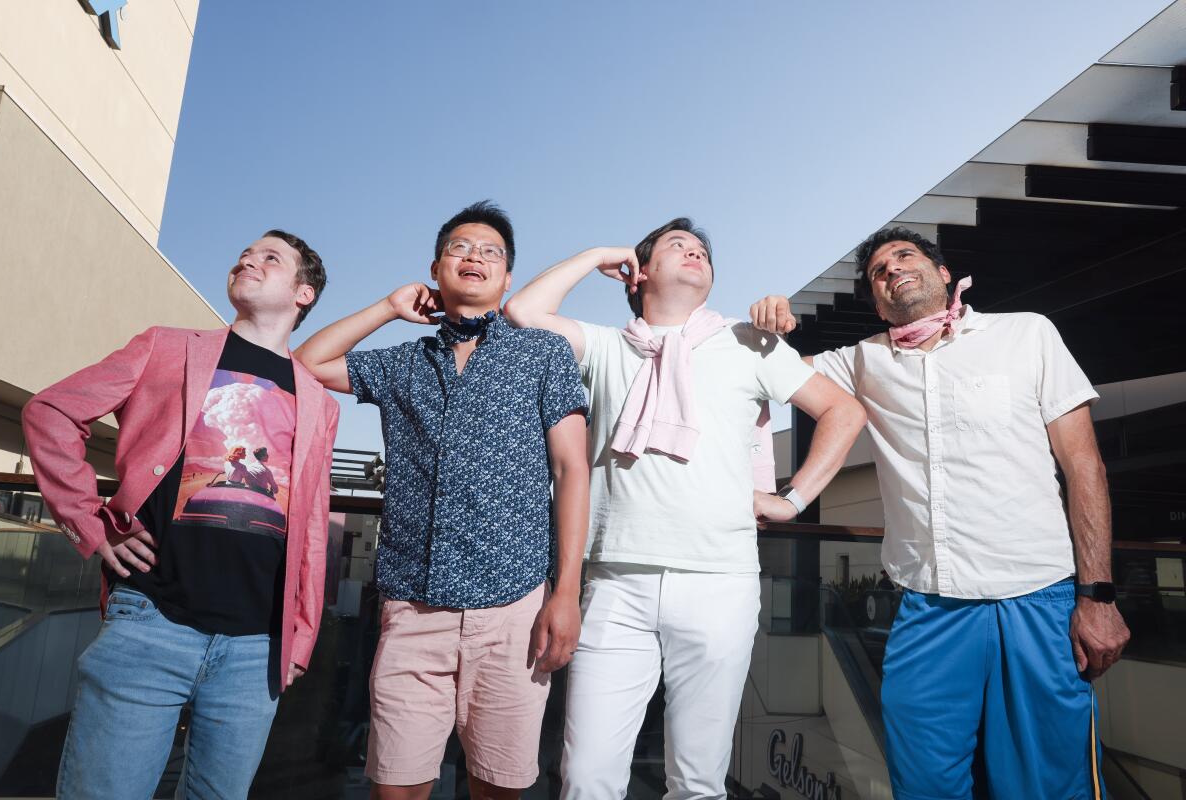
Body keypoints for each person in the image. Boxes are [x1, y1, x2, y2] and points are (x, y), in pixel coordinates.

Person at [750, 226, 1130, 800]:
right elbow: (756, 377)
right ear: (878, 302)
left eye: (905, 256)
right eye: (879, 270)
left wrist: (1097, 596)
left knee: (1049, 783)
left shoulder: (1027, 334)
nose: (892, 268)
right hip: (928, 607)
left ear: (943, 273)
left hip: (1037, 599)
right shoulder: (860, 362)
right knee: (925, 783)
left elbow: (1085, 468)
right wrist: (765, 331)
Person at [504, 217, 865, 799]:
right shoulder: (602, 345)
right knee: (586, 775)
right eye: (677, 245)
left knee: (697, 781)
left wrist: (794, 499)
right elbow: (522, 311)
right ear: (640, 272)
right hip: (616, 585)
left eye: (701, 250)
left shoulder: (749, 341)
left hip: (720, 582)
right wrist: (599, 250)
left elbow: (844, 413)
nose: (694, 252)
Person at [22, 230, 339, 799]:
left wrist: (302, 635)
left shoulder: (319, 400)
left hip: (256, 650)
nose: (247, 259)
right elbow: (51, 411)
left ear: (303, 293)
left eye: (271, 258)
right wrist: (90, 524)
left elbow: (314, 524)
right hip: (150, 621)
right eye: (246, 252)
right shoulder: (167, 347)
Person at [294, 201, 590, 800]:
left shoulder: (543, 353)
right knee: (396, 787)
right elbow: (308, 362)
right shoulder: (405, 362)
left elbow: (572, 469)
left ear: (507, 279)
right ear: (436, 269)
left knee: (497, 787)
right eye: (459, 247)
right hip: (411, 607)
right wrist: (388, 307)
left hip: (514, 607)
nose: (475, 256)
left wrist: (565, 593)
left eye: (491, 252)